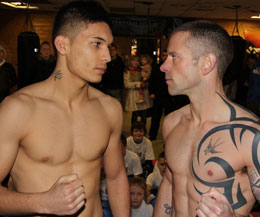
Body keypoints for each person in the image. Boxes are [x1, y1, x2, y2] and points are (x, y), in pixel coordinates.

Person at [0, 2, 130, 217]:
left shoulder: (110, 109)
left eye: (109, 46)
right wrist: (43, 202)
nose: (107, 56)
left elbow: (116, 178)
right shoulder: (19, 109)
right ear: (63, 45)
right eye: (97, 44)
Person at [153, 21, 260, 217]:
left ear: (207, 63)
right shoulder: (172, 122)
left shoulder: (251, 136)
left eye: (174, 57)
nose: (163, 66)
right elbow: (170, 183)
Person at [148, 49, 177, 140]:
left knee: (170, 117)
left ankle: (169, 135)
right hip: (157, 95)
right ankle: (152, 135)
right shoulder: (157, 67)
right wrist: (151, 92)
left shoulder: (174, 67)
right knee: (155, 117)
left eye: (166, 55)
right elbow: (152, 80)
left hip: (170, 96)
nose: (165, 57)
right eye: (163, 55)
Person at [124, 55, 152, 126]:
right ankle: (134, 131)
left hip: (143, 95)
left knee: (144, 115)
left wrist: (146, 82)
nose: (135, 62)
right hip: (134, 95)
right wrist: (139, 84)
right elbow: (127, 84)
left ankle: (143, 132)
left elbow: (147, 78)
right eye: (133, 60)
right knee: (135, 115)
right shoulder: (127, 70)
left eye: (137, 60)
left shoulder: (141, 69)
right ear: (130, 61)